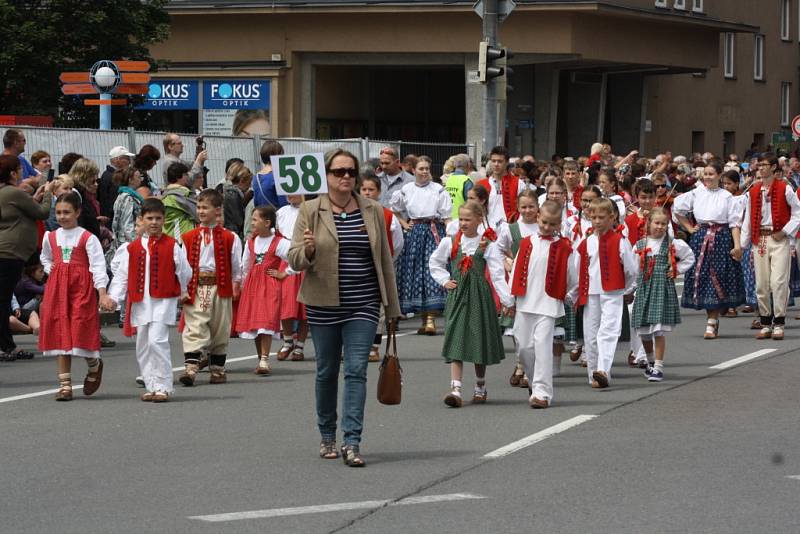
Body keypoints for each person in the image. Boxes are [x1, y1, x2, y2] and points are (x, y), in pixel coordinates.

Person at [288, 148, 400, 468]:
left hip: (363, 303)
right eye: (339, 172)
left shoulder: (373, 210)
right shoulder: (310, 210)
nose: (346, 177)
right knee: (326, 371)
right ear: (327, 176)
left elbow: (384, 261)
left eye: (351, 171)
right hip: (322, 303)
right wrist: (307, 251)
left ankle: (352, 441)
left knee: (356, 370)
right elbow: (294, 259)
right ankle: (327, 435)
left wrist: (391, 308)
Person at [104, 198, 192, 402]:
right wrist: (114, 298)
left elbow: (184, 271)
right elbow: (122, 276)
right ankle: (151, 385)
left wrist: (184, 290)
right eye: (149, 218)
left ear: (164, 219)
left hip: (164, 300)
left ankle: (163, 386)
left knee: (157, 340)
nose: (154, 222)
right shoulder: (132, 248)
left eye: (158, 218)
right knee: (143, 343)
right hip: (140, 301)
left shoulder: (173, 246)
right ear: (141, 220)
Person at [429, 200, 512, 407]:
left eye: (468, 219)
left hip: (479, 296)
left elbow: (497, 274)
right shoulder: (451, 242)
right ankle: (455, 389)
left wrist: (507, 299)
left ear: (479, 219)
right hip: (458, 295)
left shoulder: (487, 245)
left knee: (477, 339)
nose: (464, 223)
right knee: (456, 336)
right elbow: (435, 262)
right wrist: (445, 280)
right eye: (462, 219)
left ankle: (480, 386)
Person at [39, 192, 109, 401]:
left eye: (67, 212)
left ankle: (94, 365)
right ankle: (65, 386)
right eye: (58, 212)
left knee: (80, 330)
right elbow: (45, 256)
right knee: (61, 332)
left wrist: (102, 292)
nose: (62, 216)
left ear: (77, 212)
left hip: (81, 289)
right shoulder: (51, 236)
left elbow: (98, 266)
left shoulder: (87, 237)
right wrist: (50, 268)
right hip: (58, 288)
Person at [509, 200, 577, 408]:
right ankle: (533, 380)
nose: (547, 227)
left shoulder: (564, 247)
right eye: (544, 222)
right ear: (538, 217)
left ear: (559, 224)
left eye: (552, 224)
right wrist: (510, 299)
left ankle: (542, 392)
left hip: (548, 304)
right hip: (525, 301)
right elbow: (515, 271)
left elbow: (572, 275)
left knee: (542, 347)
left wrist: (570, 295)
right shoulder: (527, 242)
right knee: (523, 347)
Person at [673, 160, 745, 339]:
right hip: (700, 238)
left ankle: (712, 321)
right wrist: (689, 228)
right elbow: (677, 210)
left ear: (719, 176)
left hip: (721, 239)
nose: (707, 177)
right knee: (703, 278)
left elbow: (734, 223)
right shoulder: (696, 193)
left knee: (718, 277)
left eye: (711, 174)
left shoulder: (727, 196)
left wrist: (737, 246)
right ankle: (711, 320)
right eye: (705, 174)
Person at [178, 189, 242, 386]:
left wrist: (236, 284)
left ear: (217, 210)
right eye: (198, 207)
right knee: (195, 326)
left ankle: (217, 370)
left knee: (220, 328)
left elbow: (236, 265)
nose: (201, 211)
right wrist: (182, 289)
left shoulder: (231, 237)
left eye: (205, 207)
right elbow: (181, 266)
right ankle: (191, 369)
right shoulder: (188, 237)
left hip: (220, 287)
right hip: (196, 288)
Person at [573, 198, 637, 389]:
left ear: (612, 217)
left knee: (608, 332)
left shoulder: (620, 241)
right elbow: (577, 270)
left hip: (612, 292)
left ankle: (603, 370)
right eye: (594, 217)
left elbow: (631, 269)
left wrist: (625, 289)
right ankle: (593, 373)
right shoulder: (586, 243)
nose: (598, 221)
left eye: (602, 217)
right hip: (590, 292)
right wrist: (574, 293)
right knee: (591, 335)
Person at [740, 152, 800, 340]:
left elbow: (798, 213)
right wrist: (741, 246)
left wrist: (785, 231)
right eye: (759, 165)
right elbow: (747, 221)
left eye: (764, 165)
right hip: (760, 240)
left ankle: (779, 322)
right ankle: (766, 322)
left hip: (779, 239)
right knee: (761, 284)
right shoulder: (754, 191)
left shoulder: (785, 188)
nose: (761, 168)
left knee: (778, 282)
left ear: (774, 167)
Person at [632, 208, 695, 382]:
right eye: (656, 223)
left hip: (661, 289)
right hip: (644, 289)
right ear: (648, 223)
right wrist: (630, 290)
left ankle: (658, 366)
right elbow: (633, 269)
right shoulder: (640, 244)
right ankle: (650, 362)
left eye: (664, 224)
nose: (660, 227)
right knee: (644, 331)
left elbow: (689, 258)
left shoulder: (673, 243)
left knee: (658, 330)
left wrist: (676, 270)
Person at [391, 156, 452, 335]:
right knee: (416, 273)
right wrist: (403, 223)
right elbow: (394, 208)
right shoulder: (406, 189)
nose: (425, 171)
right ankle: (424, 319)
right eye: (421, 168)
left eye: (427, 168)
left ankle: (431, 319)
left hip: (434, 231)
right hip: (415, 232)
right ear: (414, 170)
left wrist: (450, 233)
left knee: (432, 271)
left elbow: (447, 216)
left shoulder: (438, 190)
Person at [0, 155, 53, 360]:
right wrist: (47, 194)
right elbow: (41, 212)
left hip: (9, 252)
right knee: (3, 301)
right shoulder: (14, 191)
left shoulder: (6, 193)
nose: (23, 172)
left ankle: (7, 345)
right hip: (11, 254)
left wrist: (35, 197)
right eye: (19, 169)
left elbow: (22, 211)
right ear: (13, 173)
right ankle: (7, 346)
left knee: (3, 299)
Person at [236, 206, 295, 375]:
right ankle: (260, 358)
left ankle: (264, 359)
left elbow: (295, 258)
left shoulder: (279, 242)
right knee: (255, 324)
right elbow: (246, 264)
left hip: (269, 285)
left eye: (255, 219)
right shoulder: (251, 242)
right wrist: (242, 284)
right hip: (253, 286)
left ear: (267, 222)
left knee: (265, 322)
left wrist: (285, 273)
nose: (252, 222)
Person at [496, 189, 539, 387]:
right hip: (518, 283)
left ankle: (532, 367)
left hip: (537, 283)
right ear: (517, 207)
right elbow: (496, 249)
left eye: (531, 206)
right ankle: (520, 363)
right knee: (517, 326)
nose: (528, 210)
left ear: (537, 207)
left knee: (535, 326)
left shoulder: (542, 226)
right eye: (524, 207)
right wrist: (506, 261)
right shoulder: (511, 229)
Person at [359, 174, 404, 361]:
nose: (367, 193)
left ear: (378, 192)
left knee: (378, 310)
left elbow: (398, 243)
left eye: (371, 189)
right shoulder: (351, 213)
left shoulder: (387, 216)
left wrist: (387, 261)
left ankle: (374, 346)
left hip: (378, 270)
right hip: (356, 269)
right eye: (364, 189)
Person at [275, 194, 310, 361]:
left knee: (304, 307)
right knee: (285, 303)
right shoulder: (281, 212)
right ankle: (287, 341)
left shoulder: (310, 210)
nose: (289, 195)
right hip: (285, 258)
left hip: (304, 258)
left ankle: (300, 346)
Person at [477, 146, 527, 228]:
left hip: (510, 229)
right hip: (486, 229)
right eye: (493, 161)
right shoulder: (481, 184)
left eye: (500, 161)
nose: (496, 164)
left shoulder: (519, 183)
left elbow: (524, 208)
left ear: (507, 162)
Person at [98, 146, 134, 228]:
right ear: (117, 160)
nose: (129, 162)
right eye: (126, 158)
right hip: (112, 222)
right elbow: (112, 201)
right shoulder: (112, 177)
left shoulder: (110, 175)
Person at [161, 162, 197, 242]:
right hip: (181, 239)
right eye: (186, 174)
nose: (188, 177)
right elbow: (197, 214)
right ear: (178, 177)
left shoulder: (165, 195)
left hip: (169, 237)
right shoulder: (181, 195)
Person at [110, 167, 144, 252]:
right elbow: (127, 223)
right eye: (138, 177)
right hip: (128, 243)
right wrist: (135, 244)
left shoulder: (123, 195)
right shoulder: (128, 198)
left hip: (124, 241)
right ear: (130, 180)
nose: (141, 180)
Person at [253, 139, 288, 209]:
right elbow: (284, 203)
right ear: (278, 155)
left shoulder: (256, 177)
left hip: (263, 216)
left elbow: (256, 202)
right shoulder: (278, 176)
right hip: (276, 216)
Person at [222, 161, 252, 240]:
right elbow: (238, 220)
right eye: (248, 183)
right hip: (234, 233)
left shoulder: (226, 191)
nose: (249, 187)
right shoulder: (233, 195)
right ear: (242, 181)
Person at [444, 153, 474, 219]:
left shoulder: (448, 179)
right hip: (462, 219)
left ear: (455, 165)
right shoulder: (467, 181)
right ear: (468, 165)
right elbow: (471, 203)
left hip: (448, 219)